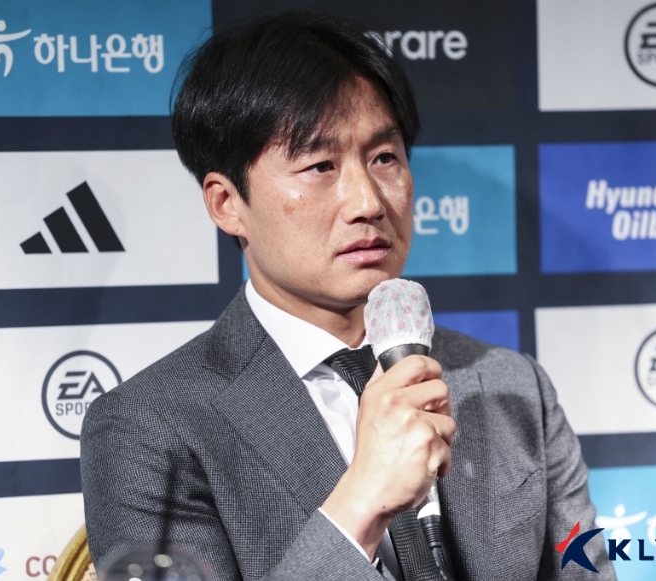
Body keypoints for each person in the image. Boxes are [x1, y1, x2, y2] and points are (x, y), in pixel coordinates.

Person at [81, 12, 615, 581]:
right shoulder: (148, 428)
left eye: (384, 158)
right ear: (227, 204)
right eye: (320, 166)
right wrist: (362, 502)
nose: (367, 202)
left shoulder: (515, 387)